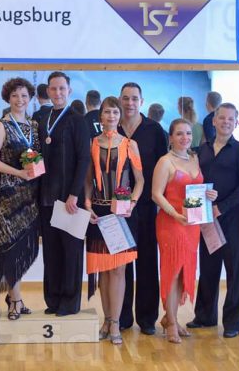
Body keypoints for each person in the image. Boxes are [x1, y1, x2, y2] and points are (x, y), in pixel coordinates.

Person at [187, 102, 239, 338]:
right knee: (208, 267)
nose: (226, 122)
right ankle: (205, 316)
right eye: (222, 118)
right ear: (214, 121)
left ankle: (233, 322)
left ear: (235, 123)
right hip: (206, 218)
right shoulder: (201, 150)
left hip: (231, 217)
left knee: (235, 270)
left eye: (230, 119)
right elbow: (194, 181)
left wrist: (221, 207)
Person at [152, 118, 218, 343]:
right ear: (170, 137)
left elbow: (198, 189)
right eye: (179, 133)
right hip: (171, 223)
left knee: (183, 272)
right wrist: (175, 214)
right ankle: (171, 322)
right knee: (172, 272)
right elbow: (156, 194)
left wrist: (210, 195)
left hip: (192, 224)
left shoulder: (194, 159)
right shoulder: (165, 162)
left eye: (188, 133)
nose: (185, 138)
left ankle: (171, 317)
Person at [85, 96, 144, 345]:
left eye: (115, 112)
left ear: (120, 117)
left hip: (122, 213)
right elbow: (88, 179)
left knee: (119, 269)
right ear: (100, 116)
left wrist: (132, 203)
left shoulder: (130, 144)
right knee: (104, 270)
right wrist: (87, 204)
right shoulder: (92, 143)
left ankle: (117, 322)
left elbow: (140, 181)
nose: (111, 116)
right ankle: (107, 320)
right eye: (107, 112)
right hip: (99, 213)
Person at [0, 77, 40, 320]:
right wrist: (17, 173)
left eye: (24, 95)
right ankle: (15, 300)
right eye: (15, 95)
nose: (20, 100)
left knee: (23, 247)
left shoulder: (34, 126)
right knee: (10, 246)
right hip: (6, 195)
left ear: (30, 98)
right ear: (8, 97)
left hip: (30, 195)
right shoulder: (2, 125)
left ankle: (14, 295)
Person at [38, 71, 90, 316]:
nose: (57, 93)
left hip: (69, 199)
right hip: (46, 196)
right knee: (51, 251)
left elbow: (84, 159)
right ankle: (53, 299)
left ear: (69, 91)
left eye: (62, 88)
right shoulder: (42, 118)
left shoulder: (78, 120)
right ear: (48, 91)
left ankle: (69, 302)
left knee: (71, 251)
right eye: (53, 88)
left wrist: (74, 194)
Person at [117, 82, 168, 335]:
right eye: (125, 98)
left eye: (134, 98)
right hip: (117, 208)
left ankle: (147, 319)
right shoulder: (111, 127)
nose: (130, 103)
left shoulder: (155, 130)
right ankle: (122, 317)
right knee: (122, 263)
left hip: (147, 206)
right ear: (119, 100)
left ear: (142, 101)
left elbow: (163, 168)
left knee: (147, 261)